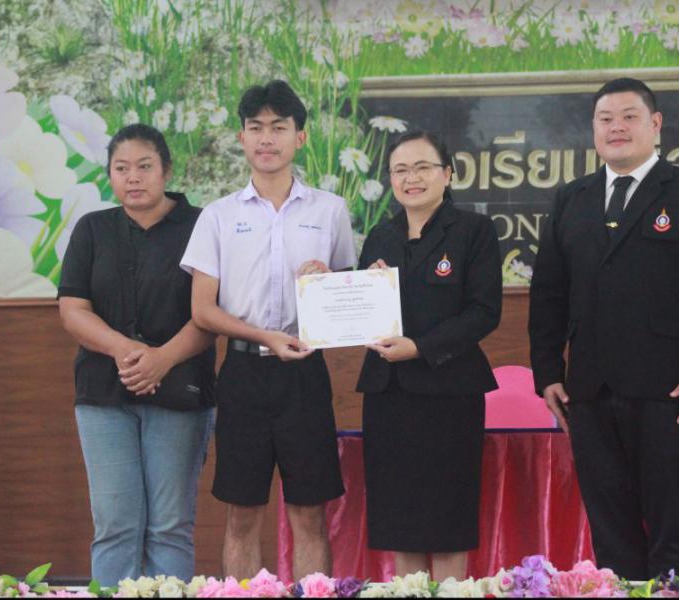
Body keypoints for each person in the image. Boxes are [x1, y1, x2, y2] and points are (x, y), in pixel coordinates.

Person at [528, 78, 679, 580]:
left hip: (671, 391)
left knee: (674, 531)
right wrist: (547, 372)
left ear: (656, 124)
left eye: (629, 116)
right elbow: (549, 293)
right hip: (589, 391)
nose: (616, 127)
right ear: (593, 129)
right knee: (612, 536)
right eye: (605, 119)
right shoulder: (572, 198)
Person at [180, 80, 356, 581]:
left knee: (309, 513)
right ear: (241, 137)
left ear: (300, 137)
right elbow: (202, 311)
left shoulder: (330, 210)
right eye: (256, 127)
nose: (266, 138)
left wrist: (327, 281)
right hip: (242, 375)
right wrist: (264, 337)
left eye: (279, 127)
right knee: (242, 513)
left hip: (305, 375)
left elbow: (346, 297)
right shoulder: (218, 216)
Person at [58, 124, 216, 585]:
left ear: (167, 170)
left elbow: (211, 313)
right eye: (121, 168)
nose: (133, 177)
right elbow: (72, 308)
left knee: (170, 526)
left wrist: (162, 359)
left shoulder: (203, 226)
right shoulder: (92, 229)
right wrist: (126, 349)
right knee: (115, 526)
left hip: (180, 392)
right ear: (110, 175)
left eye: (144, 166)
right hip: (103, 396)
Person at [357, 130, 502, 581]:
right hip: (388, 396)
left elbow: (484, 312)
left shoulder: (474, 231)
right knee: (400, 521)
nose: (411, 178)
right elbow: (361, 309)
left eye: (423, 167)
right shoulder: (380, 236)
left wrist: (420, 348)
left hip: (449, 395)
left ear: (448, 174)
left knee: (447, 520)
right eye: (400, 170)